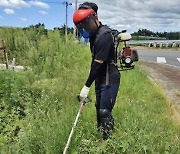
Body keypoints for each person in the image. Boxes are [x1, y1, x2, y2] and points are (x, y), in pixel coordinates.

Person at [73, 2, 120, 140]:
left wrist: (86, 86)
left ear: (95, 17)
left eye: (87, 24)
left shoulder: (104, 35)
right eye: (82, 25)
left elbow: (98, 64)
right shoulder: (94, 36)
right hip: (100, 77)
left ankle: (108, 141)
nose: (86, 28)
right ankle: (100, 134)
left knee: (104, 111)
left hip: (109, 77)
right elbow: (95, 61)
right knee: (98, 107)